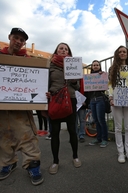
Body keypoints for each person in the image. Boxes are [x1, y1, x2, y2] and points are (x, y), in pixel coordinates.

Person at [0, 28, 44, 185]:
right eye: (16, 38)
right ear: (9, 37)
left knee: (28, 137)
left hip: (21, 110)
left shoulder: (28, 59)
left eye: (22, 40)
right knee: (2, 139)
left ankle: (33, 165)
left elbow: (37, 81)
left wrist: (42, 95)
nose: (19, 42)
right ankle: (8, 163)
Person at [47, 42, 81, 175]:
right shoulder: (50, 66)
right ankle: (55, 161)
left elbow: (77, 87)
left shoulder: (73, 66)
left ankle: (75, 156)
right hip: (55, 100)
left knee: (72, 130)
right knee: (54, 132)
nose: (63, 50)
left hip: (70, 100)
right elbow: (45, 83)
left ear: (69, 53)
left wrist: (73, 81)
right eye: (61, 48)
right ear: (56, 50)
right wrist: (47, 93)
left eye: (66, 49)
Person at [108, 46, 128, 163]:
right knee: (118, 128)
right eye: (120, 52)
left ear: (127, 54)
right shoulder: (112, 69)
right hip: (116, 100)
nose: (122, 53)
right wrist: (110, 97)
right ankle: (121, 153)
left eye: (124, 52)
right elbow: (110, 84)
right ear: (117, 54)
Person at [88, 60, 109, 148]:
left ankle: (104, 139)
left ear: (99, 66)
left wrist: (103, 75)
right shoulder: (88, 77)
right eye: (94, 65)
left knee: (101, 120)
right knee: (96, 120)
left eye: (97, 65)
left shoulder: (102, 75)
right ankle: (98, 138)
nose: (95, 66)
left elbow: (107, 85)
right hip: (92, 100)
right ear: (92, 67)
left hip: (100, 99)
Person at [76, 79, 89, 143]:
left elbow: (87, 90)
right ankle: (74, 136)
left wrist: (85, 101)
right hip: (73, 103)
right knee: (74, 121)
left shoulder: (84, 80)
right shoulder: (69, 79)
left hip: (82, 104)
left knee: (82, 120)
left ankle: (81, 135)